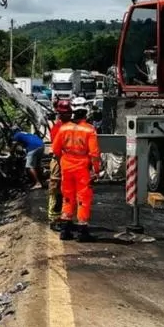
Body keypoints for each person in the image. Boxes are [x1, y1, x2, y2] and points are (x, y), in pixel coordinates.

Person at [52, 97, 101, 242]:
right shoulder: (89, 130)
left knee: (67, 197)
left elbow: (55, 150)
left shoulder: (63, 128)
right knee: (83, 198)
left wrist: (65, 160)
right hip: (82, 169)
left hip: (66, 166)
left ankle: (65, 230)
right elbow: (94, 154)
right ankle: (82, 231)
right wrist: (96, 171)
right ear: (86, 112)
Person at [48, 99, 73, 231]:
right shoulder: (57, 128)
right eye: (65, 113)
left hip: (69, 162)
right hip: (59, 161)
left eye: (68, 113)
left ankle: (65, 218)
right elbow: (57, 149)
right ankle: (54, 219)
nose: (67, 115)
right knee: (56, 189)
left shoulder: (71, 127)